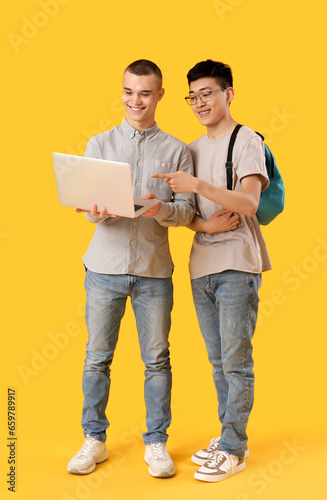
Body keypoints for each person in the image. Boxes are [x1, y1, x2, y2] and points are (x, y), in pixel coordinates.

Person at [67, 59, 195, 478]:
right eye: (128, 92)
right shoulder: (98, 144)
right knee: (96, 357)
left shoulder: (178, 151)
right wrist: (95, 212)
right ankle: (94, 440)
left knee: (157, 360)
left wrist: (162, 210)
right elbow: (87, 207)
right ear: (121, 92)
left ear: (159, 95)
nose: (135, 100)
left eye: (144, 92)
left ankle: (156, 443)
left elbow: (188, 211)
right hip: (103, 268)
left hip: (154, 271)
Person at [152, 59, 272, 482]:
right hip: (201, 267)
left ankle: (235, 450)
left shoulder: (246, 141)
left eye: (208, 93)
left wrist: (198, 185)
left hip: (238, 263)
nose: (200, 102)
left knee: (237, 361)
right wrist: (197, 216)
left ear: (229, 94)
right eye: (193, 96)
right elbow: (186, 214)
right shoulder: (192, 149)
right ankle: (227, 436)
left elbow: (249, 204)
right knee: (219, 361)